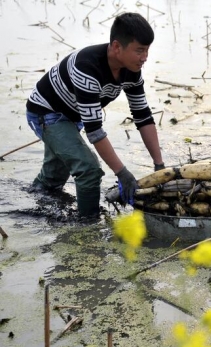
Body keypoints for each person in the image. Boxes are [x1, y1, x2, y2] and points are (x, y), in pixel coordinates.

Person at [26, 12, 164, 218]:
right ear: (117, 47)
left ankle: (28, 204)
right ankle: (88, 225)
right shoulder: (87, 68)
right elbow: (95, 131)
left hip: (74, 115)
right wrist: (122, 173)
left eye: (147, 50)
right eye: (140, 50)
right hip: (47, 112)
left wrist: (159, 166)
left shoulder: (132, 68)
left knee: (52, 180)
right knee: (88, 169)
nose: (145, 57)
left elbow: (143, 115)